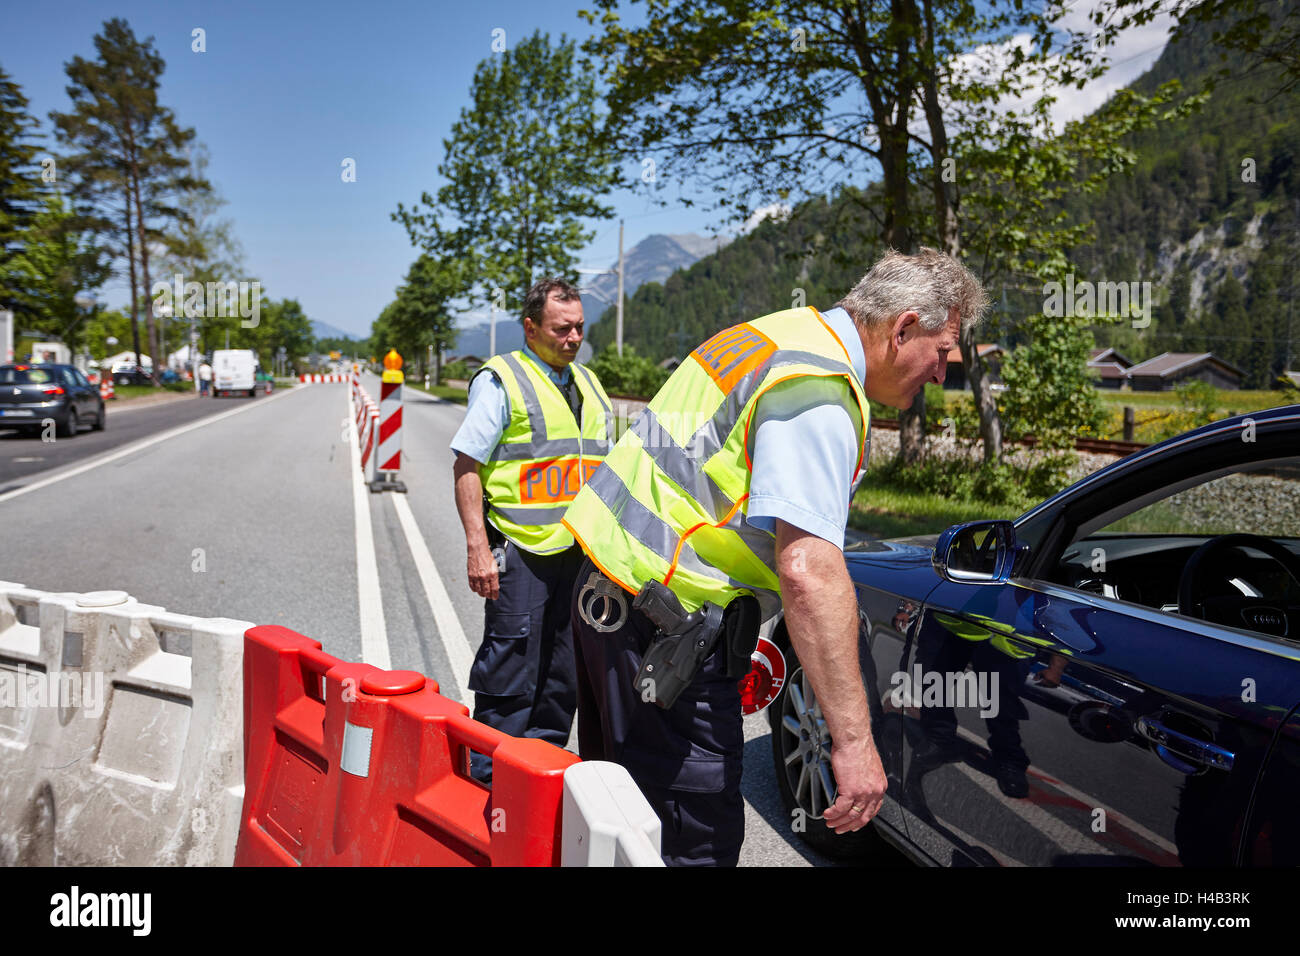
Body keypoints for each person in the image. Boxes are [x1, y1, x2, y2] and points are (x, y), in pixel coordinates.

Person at [562, 247, 988, 866]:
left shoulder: (776, 336)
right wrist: (853, 743)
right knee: (689, 846)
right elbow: (809, 570)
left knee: (618, 831)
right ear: (903, 328)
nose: (942, 372)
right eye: (944, 350)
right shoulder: (817, 387)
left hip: (610, 604)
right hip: (666, 639)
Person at [450, 278, 615, 781]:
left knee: (563, 672)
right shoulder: (502, 380)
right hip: (520, 550)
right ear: (530, 327)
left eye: (580, 328)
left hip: (580, 557)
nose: (573, 338)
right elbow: (466, 467)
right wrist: (478, 548)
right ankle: (487, 781)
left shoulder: (588, 382)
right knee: (511, 669)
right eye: (561, 328)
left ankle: (539, 776)